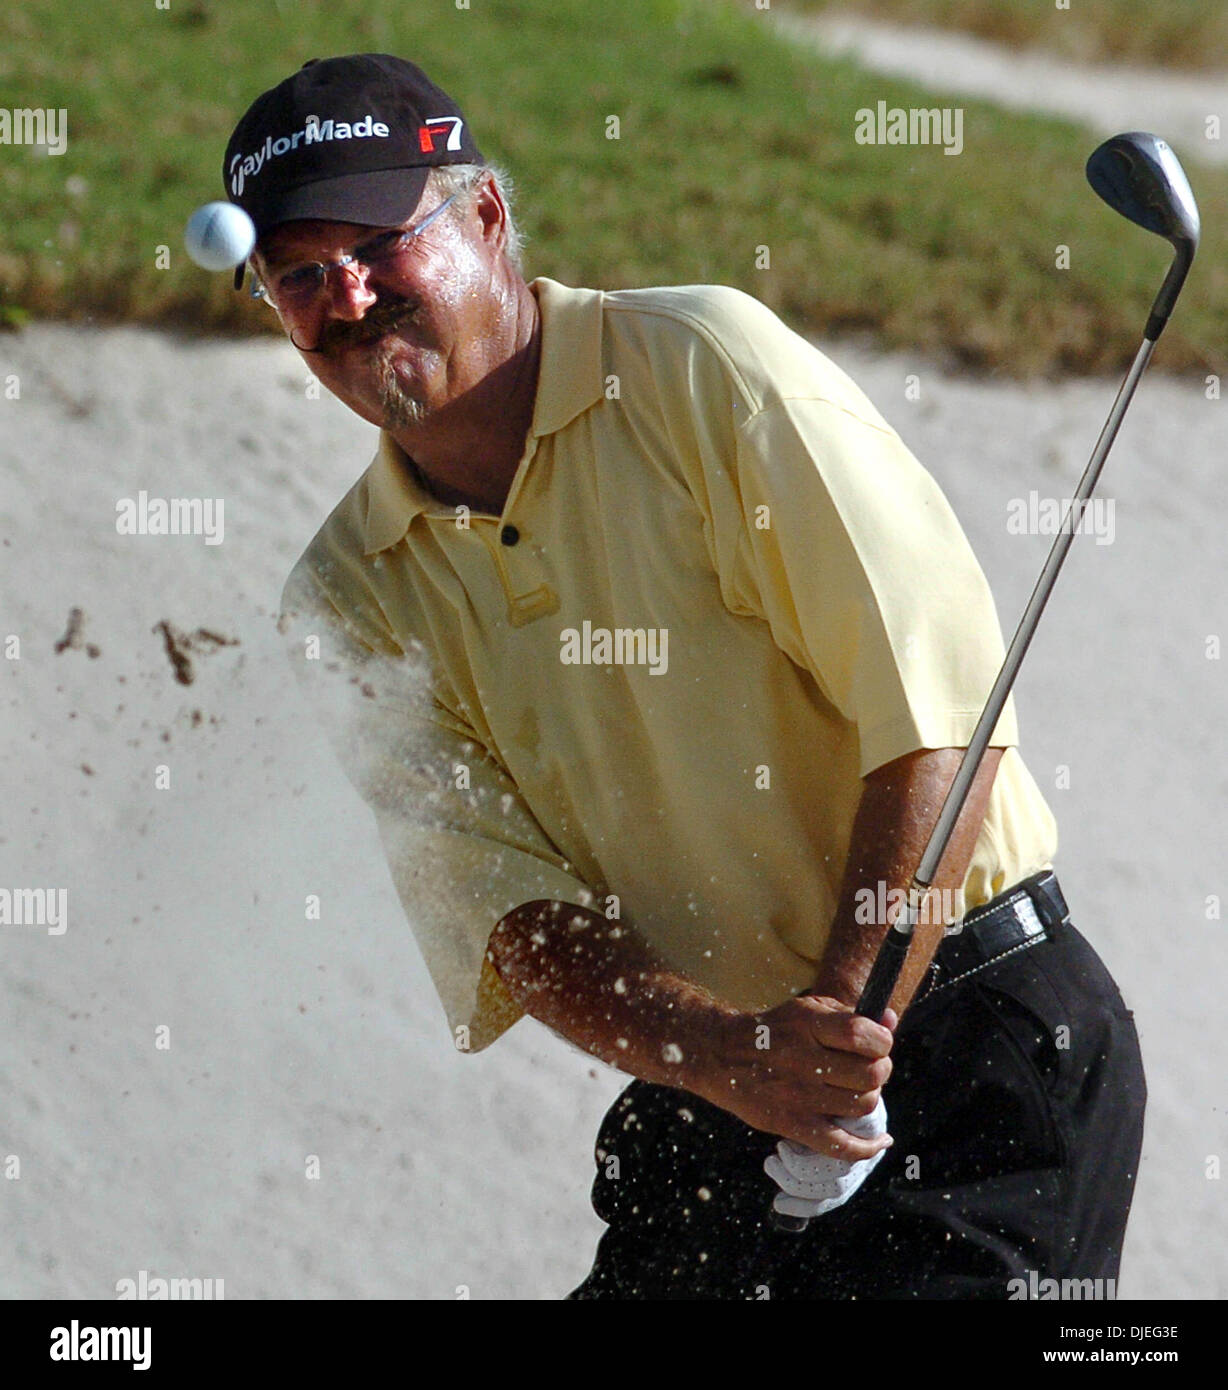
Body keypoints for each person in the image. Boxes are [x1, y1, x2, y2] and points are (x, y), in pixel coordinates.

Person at [228, 53, 1146, 1299]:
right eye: (298, 274)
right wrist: (730, 1056)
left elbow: (938, 717)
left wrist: (830, 1033)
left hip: (976, 1042)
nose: (349, 296)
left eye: (382, 244)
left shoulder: (701, 366)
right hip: (721, 1082)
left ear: (487, 216)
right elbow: (507, 912)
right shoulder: (344, 595)